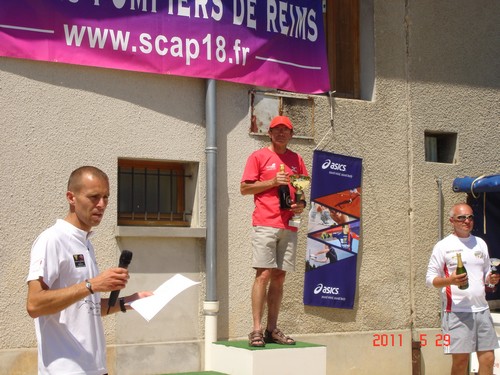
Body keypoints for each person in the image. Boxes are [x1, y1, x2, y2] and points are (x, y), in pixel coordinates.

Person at [26, 166, 152, 375]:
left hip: (95, 368)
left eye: (106, 197)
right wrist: (93, 285)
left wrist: (128, 302)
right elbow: (34, 304)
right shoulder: (52, 240)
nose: (102, 204)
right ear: (71, 198)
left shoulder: (85, 243)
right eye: (94, 197)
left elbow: (84, 308)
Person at [240, 115, 308, 347]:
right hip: (266, 222)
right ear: (269, 133)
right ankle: (256, 329)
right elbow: (244, 188)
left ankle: (272, 329)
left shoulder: (297, 159)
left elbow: (301, 191)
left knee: (279, 277)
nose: (280, 133)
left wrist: (301, 204)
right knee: (264, 275)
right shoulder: (258, 156)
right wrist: (271, 182)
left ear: (291, 134)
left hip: (289, 224)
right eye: (276, 130)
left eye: (285, 130)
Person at [426, 203, 499, 375]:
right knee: (461, 362)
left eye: (470, 217)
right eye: (462, 217)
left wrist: (491, 280)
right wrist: (450, 280)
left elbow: (486, 274)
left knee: (488, 359)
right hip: (457, 311)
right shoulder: (443, 246)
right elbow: (430, 280)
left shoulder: (480, 243)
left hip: (482, 310)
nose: (467, 221)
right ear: (452, 220)